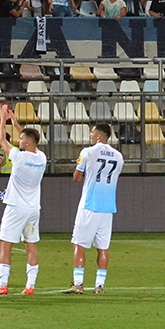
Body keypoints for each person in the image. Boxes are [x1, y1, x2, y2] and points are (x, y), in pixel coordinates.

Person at [0, 105, 47, 296]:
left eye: (22, 139)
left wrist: (2, 119)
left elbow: (1, 139)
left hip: (16, 207)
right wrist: (15, 123)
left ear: (28, 143)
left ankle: (3, 285)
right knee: (31, 246)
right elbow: (32, 141)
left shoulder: (18, 156)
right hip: (33, 209)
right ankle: (30, 286)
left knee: (5, 244)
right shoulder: (41, 157)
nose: (18, 140)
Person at [65, 123, 124, 294]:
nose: (90, 135)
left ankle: (78, 283)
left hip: (89, 205)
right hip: (108, 208)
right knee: (103, 247)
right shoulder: (118, 156)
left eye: (92, 133)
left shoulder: (87, 152)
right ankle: (100, 285)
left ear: (99, 136)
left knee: (79, 244)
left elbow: (77, 177)